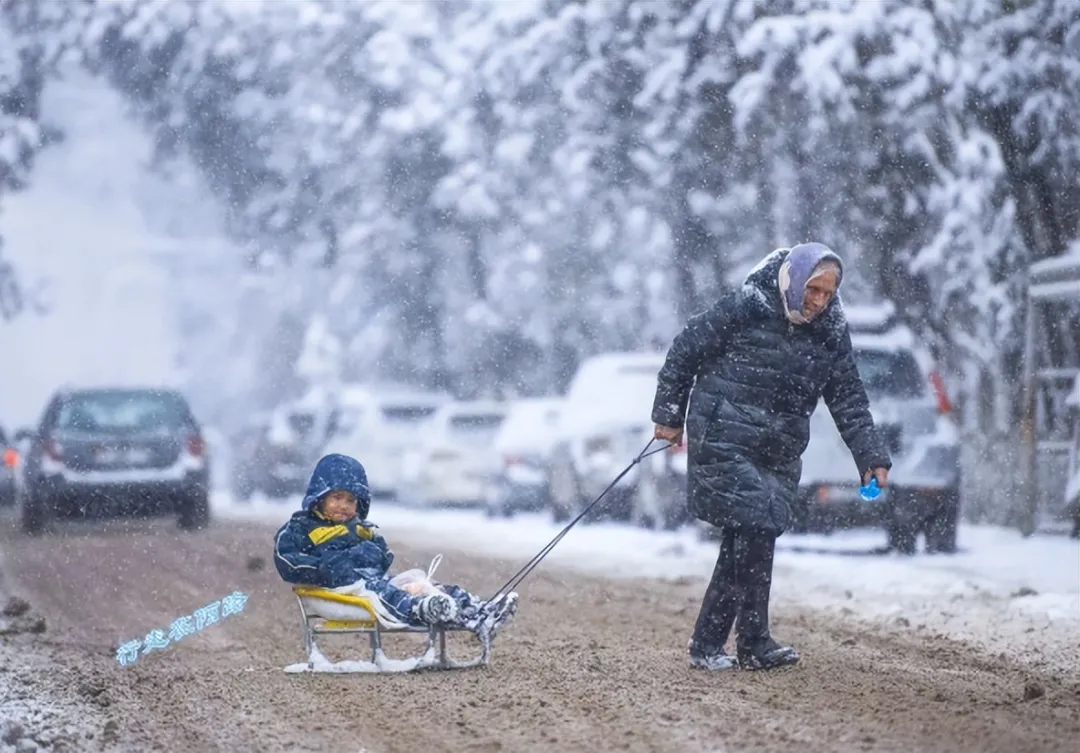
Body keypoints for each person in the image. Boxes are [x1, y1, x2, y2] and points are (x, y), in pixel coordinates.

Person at [651, 242, 891, 671]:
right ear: (794, 280)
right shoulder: (747, 306)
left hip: (777, 447)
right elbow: (684, 350)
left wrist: (869, 454)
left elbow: (849, 396)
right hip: (723, 433)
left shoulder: (831, 332)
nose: (818, 301)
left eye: (828, 294)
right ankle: (743, 640)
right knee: (754, 525)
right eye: (812, 289)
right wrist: (669, 416)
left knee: (754, 533)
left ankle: (724, 643)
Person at [273, 453, 518, 639]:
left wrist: (372, 553)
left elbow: (383, 555)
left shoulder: (361, 528)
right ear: (320, 496)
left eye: (350, 500)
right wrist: (324, 567)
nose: (344, 506)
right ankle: (422, 609)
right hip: (338, 589)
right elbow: (287, 561)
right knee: (387, 595)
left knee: (421, 584)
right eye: (336, 498)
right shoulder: (301, 527)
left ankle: (476, 611)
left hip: (372, 581)